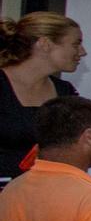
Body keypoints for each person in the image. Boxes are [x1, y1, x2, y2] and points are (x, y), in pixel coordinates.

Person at [0, 12, 84, 182]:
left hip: (42, 194)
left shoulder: (65, 92)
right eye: (76, 44)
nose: (82, 52)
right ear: (45, 44)